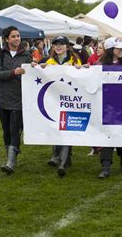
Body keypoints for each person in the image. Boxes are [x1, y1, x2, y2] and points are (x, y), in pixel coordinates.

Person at [0, 26, 32, 175]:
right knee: (6, 130)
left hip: (18, 98)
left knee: (15, 130)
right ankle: (10, 155)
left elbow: (32, 74)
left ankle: (11, 162)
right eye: (13, 36)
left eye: (18, 36)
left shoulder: (27, 55)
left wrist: (36, 67)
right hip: (1, 98)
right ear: (7, 39)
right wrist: (13, 72)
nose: (16, 39)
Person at [43, 36, 82, 177]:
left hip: (70, 100)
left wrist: (80, 69)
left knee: (67, 129)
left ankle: (62, 162)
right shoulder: (49, 61)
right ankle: (56, 156)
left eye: (61, 44)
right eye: (56, 44)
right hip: (54, 101)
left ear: (67, 46)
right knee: (56, 128)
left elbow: (82, 77)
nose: (58, 47)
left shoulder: (75, 60)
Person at [96, 37, 122, 178]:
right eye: (118, 48)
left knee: (121, 133)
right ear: (111, 49)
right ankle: (105, 166)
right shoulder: (100, 64)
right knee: (108, 133)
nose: (121, 50)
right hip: (106, 104)